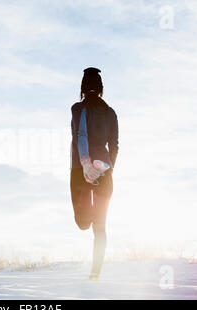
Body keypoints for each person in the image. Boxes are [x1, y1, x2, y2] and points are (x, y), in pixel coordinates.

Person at [70, 67, 119, 281]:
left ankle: (88, 207)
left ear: (82, 87)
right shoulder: (110, 113)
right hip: (104, 172)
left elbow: (79, 134)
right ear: (101, 89)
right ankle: (95, 273)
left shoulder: (76, 109)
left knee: (83, 223)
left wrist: (85, 161)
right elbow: (114, 145)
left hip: (79, 170)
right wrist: (109, 169)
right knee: (100, 227)